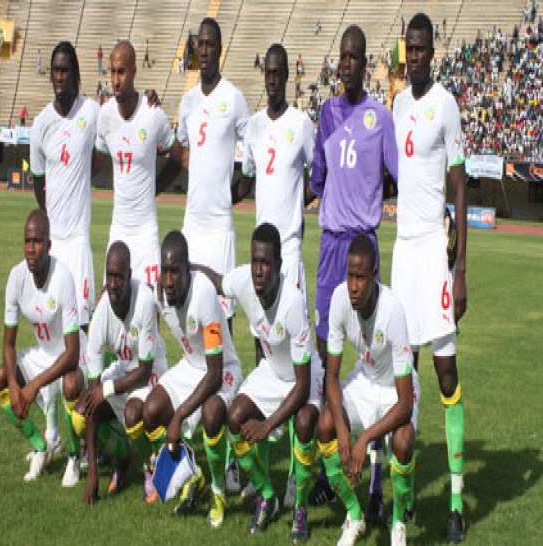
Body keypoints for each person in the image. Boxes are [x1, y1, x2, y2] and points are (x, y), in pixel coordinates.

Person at [309, 24, 398, 516]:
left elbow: (395, 178)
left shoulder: (379, 118)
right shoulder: (326, 114)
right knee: (329, 356)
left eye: (354, 57)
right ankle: (329, 471)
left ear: (366, 63)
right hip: (330, 249)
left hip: (363, 247)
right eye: (342, 56)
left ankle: (377, 484)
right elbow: (318, 180)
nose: (346, 64)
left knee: (374, 361)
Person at [391, 13, 467, 543]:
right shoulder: (398, 104)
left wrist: (460, 269)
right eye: (409, 50)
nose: (414, 56)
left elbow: (459, 186)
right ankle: (403, 492)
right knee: (404, 376)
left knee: (445, 374)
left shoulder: (447, 104)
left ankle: (457, 501)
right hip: (402, 252)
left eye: (421, 49)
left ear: (432, 53)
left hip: (434, 255)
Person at [197, 223, 323, 542]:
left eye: (265, 263)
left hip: (304, 377)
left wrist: (267, 426)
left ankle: (301, 508)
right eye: (255, 261)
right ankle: (267, 496)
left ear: (278, 265)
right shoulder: (243, 280)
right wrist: (188, 267)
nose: (258, 270)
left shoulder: (292, 303)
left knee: (304, 422)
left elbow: (301, 387)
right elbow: (217, 281)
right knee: (235, 417)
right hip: (272, 372)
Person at [129, 231, 242, 527]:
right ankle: (193, 475)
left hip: (223, 368)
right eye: (165, 271)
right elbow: (134, 292)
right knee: (150, 411)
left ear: (187, 269)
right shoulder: (160, 292)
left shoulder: (203, 294)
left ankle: (218, 493)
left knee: (212, 414)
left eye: (175, 271)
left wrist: (179, 416)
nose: (168, 281)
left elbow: (215, 373)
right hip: (190, 365)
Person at [317, 235, 419, 546]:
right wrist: (343, 432)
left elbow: (404, 403)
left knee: (403, 441)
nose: (353, 286)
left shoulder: (393, 311)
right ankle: (354, 515)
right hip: (365, 379)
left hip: (395, 390)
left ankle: (398, 523)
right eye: (350, 275)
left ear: (374, 276)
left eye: (360, 277)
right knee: (326, 425)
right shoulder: (339, 299)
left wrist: (363, 439)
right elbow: (331, 376)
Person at [30, 42, 101, 455]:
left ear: (75, 73)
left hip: (79, 248)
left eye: (65, 70)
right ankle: (53, 430)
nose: (59, 77)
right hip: (55, 250)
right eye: (55, 70)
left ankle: (88, 438)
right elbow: (39, 184)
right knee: (52, 345)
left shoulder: (90, 112)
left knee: (84, 345)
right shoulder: (41, 123)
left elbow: (103, 152)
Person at [157, 18, 249, 329]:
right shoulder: (189, 102)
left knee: (222, 320)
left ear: (220, 49)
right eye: (201, 45)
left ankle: (227, 365)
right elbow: (179, 157)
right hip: (192, 226)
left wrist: (234, 194)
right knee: (190, 315)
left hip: (220, 227)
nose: (205, 50)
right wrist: (152, 187)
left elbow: (253, 154)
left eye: (211, 44)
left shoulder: (234, 99)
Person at [0, 210, 85, 486]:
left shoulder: (63, 277)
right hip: (43, 354)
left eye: (37, 241)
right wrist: (14, 385)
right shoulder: (16, 276)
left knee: (70, 384)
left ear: (49, 244)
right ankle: (40, 445)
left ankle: (74, 455)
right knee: (0, 377)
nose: (31, 249)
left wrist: (33, 386)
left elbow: (72, 353)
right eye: (27, 241)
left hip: (72, 356)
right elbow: (8, 344)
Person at [79, 241, 168, 503]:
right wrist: (93, 472)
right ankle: (123, 453)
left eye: (119, 277)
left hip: (151, 371)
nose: (113, 284)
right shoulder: (100, 315)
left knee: (132, 413)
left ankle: (151, 466)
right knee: (82, 414)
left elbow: (144, 370)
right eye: (109, 276)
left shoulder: (145, 301)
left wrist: (106, 389)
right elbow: (93, 390)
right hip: (123, 371)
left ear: (129, 276)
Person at [95, 40, 185, 288]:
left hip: (146, 234)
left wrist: (155, 187)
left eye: (121, 72)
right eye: (112, 72)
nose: (115, 80)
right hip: (118, 230)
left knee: (150, 303)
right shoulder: (105, 115)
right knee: (110, 302)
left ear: (134, 72)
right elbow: (94, 163)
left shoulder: (152, 113)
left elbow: (178, 156)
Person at [238, 44, 315, 318]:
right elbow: (246, 179)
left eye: (277, 73)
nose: (272, 79)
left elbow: (319, 175)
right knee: (261, 329)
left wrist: (300, 202)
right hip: (261, 251)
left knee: (295, 328)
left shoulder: (301, 124)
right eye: (268, 73)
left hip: (289, 249)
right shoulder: (254, 125)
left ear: (286, 75)